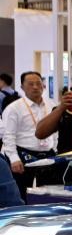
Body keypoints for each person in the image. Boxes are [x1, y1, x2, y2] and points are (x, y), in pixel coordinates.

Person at [1, 71, 57, 200]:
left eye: (38, 83)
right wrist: (14, 158)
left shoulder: (52, 105)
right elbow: (8, 135)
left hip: (48, 154)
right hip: (23, 154)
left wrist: (55, 148)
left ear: (43, 85)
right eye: (31, 84)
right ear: (22, 87)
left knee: (49, 192)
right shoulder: (14, 108)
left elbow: (56, 131)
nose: (35, 87)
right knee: (22, 193)